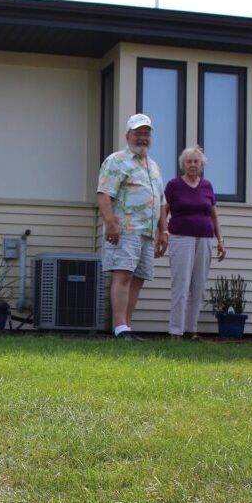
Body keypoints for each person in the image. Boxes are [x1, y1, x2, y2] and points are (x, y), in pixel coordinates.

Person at [97, 113, 169, 340]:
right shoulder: (116, 160)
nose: (142, 138)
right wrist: (110, 224)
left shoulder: (154, 166)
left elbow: (160, 201)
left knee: (138, 278)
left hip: (147, 233)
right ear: (128, 135)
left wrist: (163, 230)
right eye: (138, 133)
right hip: (125, 229)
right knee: (123, 275)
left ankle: (126, 327)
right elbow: (104, 194)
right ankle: (120, 328)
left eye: (146, 134)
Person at [165, 145, 226, 340]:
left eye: (196, 161)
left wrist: (221, 240)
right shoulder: (174, 185)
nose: (192, 164)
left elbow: (214, 216)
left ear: (202, 165)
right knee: (181, 285)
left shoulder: (207, 186)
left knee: (198, 287)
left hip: (205, 238)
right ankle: (176, 331)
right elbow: (163, 211)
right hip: (181, 238)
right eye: (189, 161)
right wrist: (163, 232)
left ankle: (191, 330)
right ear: (183, 164)